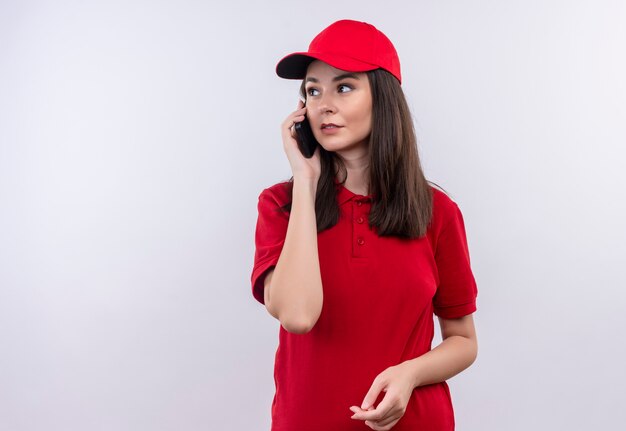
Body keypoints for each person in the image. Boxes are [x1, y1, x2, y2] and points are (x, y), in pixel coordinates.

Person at [250, 19, 479, 431]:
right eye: (312, 90)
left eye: (343, 87)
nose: (323, 105)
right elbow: (298, 316)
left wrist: (410, 374)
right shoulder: (281, 205)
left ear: (384, 98)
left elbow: (462, 340)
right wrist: (305, 181)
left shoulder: (437, 211)